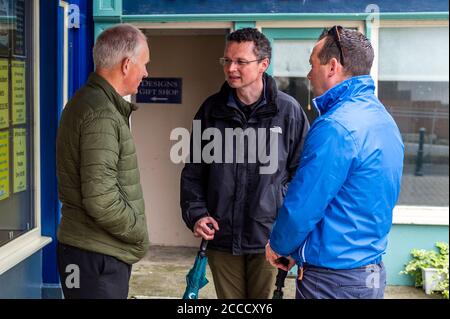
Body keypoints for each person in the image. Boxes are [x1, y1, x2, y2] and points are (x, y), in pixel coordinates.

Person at [265, 26, 404, 299]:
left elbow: (305, 203)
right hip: (369, 273)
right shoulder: (383, 120)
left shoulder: (335, 125)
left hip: (332, 281)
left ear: (332, 66)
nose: (307, 74)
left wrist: (280, 245)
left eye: (311, 65)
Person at [180, 28, 309, 299]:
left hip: (269, 239)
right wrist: (197, 214)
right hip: (221, 237)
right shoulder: (210, 110)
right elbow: (193, 172)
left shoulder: (289, 112)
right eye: (227, 60)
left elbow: (303, 179)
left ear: (263, 64)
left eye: (240, 61)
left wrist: (291, 234)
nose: (231, 68)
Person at [56, 24, 150, 299]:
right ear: (126, 65)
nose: (146, 72)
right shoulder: (102, 114)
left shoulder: (89, 102)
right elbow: (101, 198)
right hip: (96, 259)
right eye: (144, 64)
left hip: (90, 253)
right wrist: (138, 230)